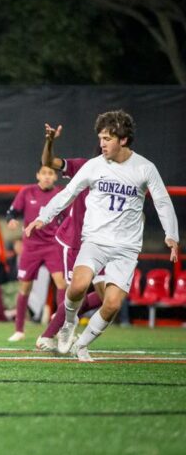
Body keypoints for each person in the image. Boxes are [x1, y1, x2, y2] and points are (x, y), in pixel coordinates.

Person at [26, 110, 179, 361]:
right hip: (94, 241)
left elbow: (162, 201)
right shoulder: (93, 165)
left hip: (126, 248)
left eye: (107, 138)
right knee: (77, 287)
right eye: (101, 138)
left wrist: (171, 235)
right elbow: (68, 193)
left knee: (112, 305)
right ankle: (67, 326)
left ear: (123, 140)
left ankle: (82, 345)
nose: (102, 143)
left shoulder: (145, 168)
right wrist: (44, 217)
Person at [35, 122, 105, 352]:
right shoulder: (85, 167)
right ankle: (49, 334)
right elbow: (49, 161)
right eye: (104, 139)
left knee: (111, 295)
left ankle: (65, 318)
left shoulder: (127, 176)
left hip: (104, 242)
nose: (106, 143)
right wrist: (50, 140)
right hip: (74, 241)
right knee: (74, 291)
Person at [5, 165, 67, 342]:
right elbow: (12, 212)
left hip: (53, 244)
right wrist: (11, 220)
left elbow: (68, 216)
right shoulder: (26, 192)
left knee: (61, 283)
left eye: (51, 174)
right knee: (24, 287)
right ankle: (19, 329)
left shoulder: (60, 193)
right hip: (31, 246)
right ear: (37, 175)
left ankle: (60, 324)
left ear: (55, 177)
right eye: (44, 173)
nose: (47, 177)